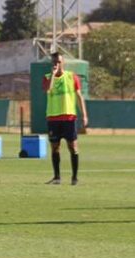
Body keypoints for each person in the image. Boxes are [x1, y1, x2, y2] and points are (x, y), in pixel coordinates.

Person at [43, 52, 88, 186]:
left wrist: (84, 115)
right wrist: (53, 75)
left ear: (63, 62)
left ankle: (74, 178)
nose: (56, 64)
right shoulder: (47, 77)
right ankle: (57, 177)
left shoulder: (71, 76)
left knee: (73, 146)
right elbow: (48, 90)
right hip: (53, 118)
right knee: (55, 147)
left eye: (58, 62)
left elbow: (79, 97)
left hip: (68, 117)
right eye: (54, 62)